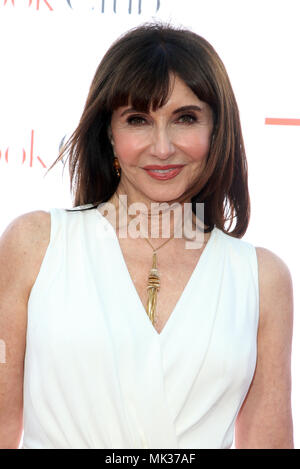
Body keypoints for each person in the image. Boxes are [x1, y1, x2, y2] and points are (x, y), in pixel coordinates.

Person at [0, 22, 294, 449]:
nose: (162, 147)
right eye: (138, 119)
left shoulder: (262, 279)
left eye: (185, 119)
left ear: (216, 130)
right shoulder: (34, 245)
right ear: (110, 134)